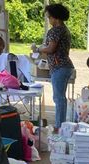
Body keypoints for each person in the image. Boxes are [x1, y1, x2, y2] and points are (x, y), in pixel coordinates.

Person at [32, 3, 74, 131]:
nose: (49, 20)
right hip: (65, 66)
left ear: (56, 18)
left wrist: (38, 49)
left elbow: (50, 48)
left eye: (49, 17)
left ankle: (59, 126)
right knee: (61, 97)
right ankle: (61, 125)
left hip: (59, 67)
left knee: (58, 98)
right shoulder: (64, 30)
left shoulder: (55, 30)